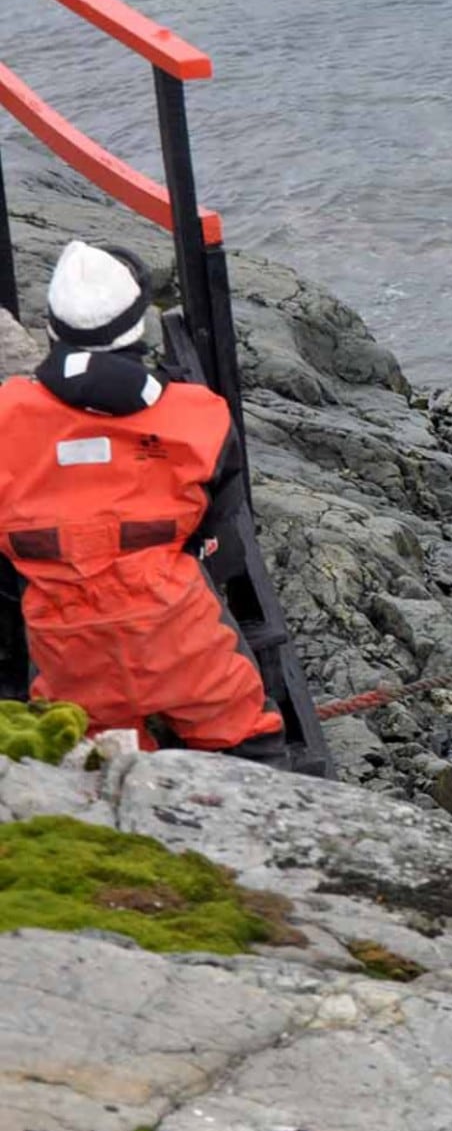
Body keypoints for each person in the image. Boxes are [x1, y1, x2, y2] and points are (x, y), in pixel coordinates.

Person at [0, 241, 284, 763]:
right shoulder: (200, 418)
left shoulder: (6, 417)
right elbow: (217, 522)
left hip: (68, 649)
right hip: (176, 632)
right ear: (139, 327)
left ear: (53, 329)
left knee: (95, 757)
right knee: (250, 742)